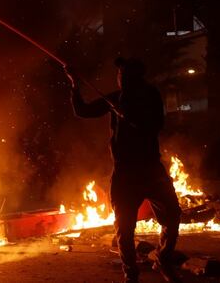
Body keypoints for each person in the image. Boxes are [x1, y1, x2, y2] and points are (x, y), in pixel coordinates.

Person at [66, 57, 181, 283]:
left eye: (124, 75)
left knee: (172, 215)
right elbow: (83, 111)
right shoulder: (115, 99)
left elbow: (156, 125)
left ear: (136, 78)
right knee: (124, 227)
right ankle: (131, 273)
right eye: (120, 75)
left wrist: (130, 116)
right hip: (125, 172)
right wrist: (74, 84)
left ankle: (163, 257)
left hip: (150, 168)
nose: (120, 79)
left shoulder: (150, 96)